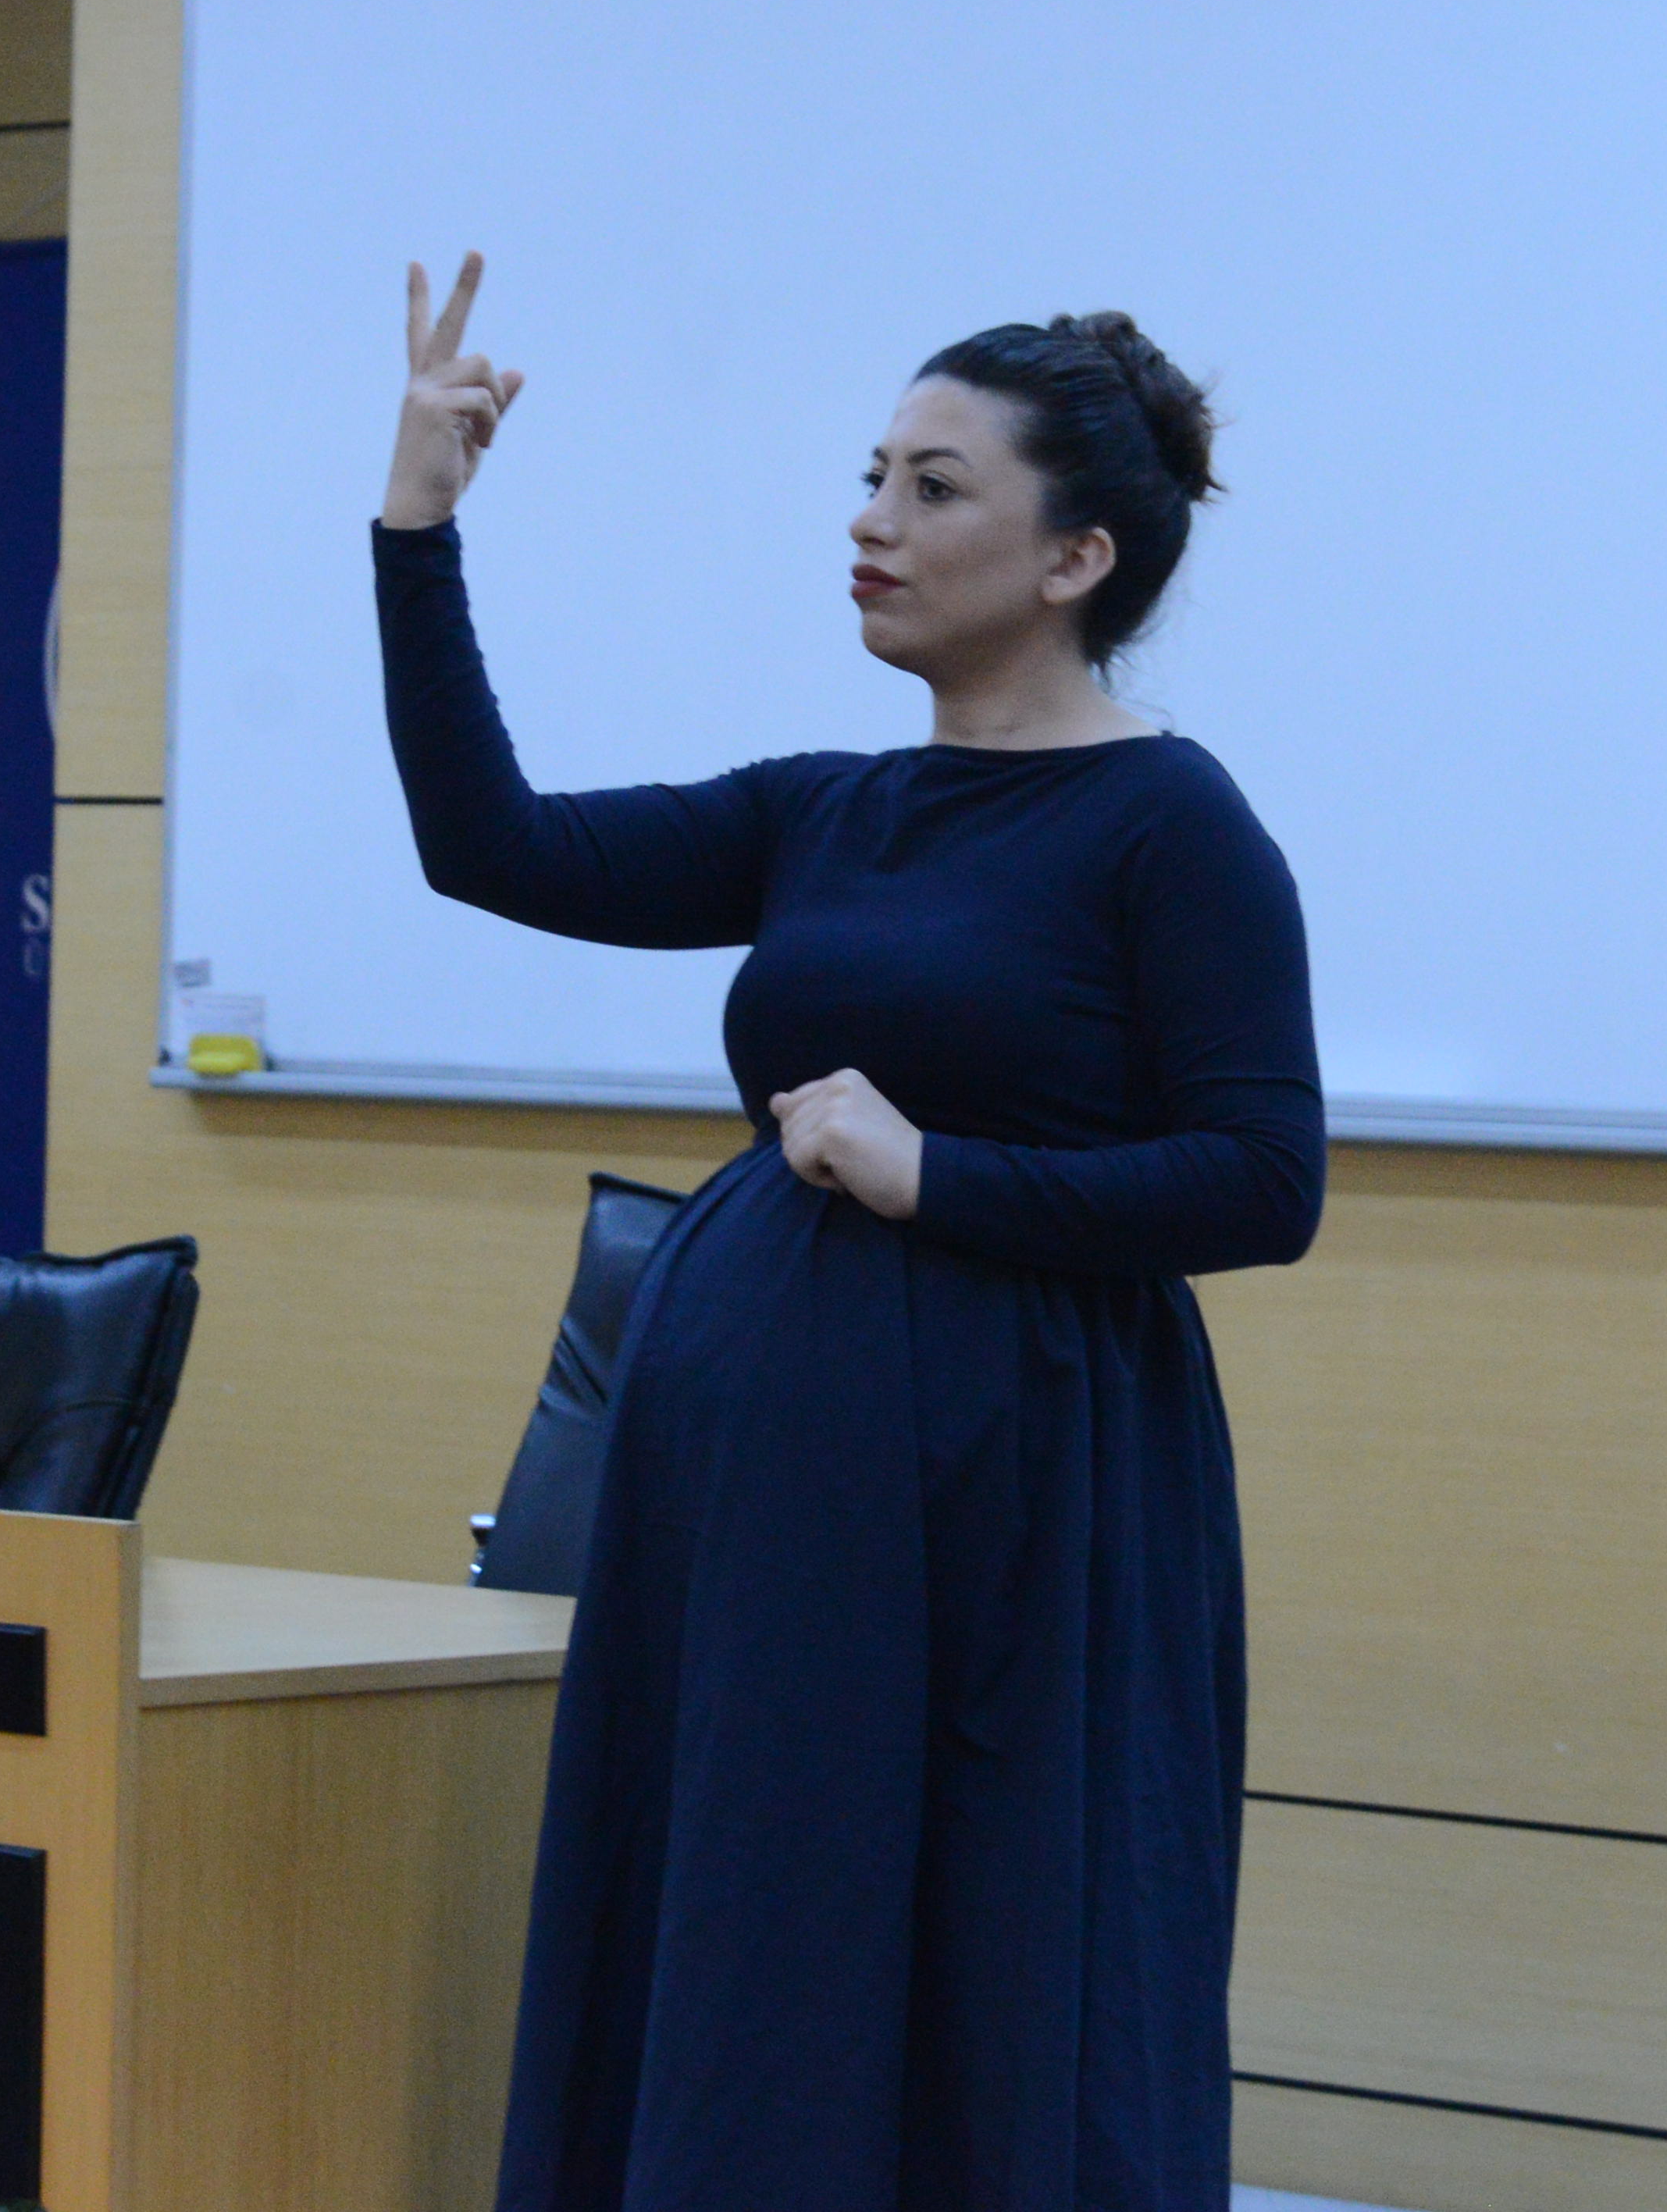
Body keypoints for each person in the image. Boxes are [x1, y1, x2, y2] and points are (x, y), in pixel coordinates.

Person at [373, 255, 1323, 2212]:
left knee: (981, 1942)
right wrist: (417, 529)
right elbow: (490, 843)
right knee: (751, 1916)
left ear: (1071, 558)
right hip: (754, 1489)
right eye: (871, 474)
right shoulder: (828, 807)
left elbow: (1259, 1177)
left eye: (931, 485)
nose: (870, 519)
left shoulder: (1172, 823)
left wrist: (934, 1173)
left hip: (1014, 1495)